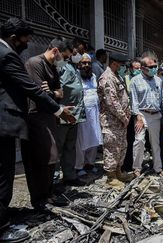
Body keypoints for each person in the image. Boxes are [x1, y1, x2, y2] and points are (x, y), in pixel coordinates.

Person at [0, 18, 75, 242]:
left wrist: (54, 95)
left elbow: (55, 89)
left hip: (10, 122)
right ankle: (3, 228)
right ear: (14, 38)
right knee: (4, 175)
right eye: (25, 40)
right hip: (7, 122)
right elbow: (31, 88)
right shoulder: (7, 56)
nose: (27, 44)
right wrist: (59, 110)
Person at [23, 37, 74, 210]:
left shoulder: (52, 67)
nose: (65, 62)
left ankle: (48, 194)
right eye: (65, 58)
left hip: (49, 115)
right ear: (56, 51)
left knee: (52, 157)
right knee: (40, 158)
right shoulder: (34, 63)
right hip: (36, 116)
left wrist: (52, 93)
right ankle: (39, 199)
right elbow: (38, 93)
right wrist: (54, 95)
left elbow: (59, 92)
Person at [98, 52, 133, 190]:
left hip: (120, 122)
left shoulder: (116, 76)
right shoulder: (106, 78)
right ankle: (110, 177)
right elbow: (112, 102)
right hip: (111, 121)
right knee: (112, 148)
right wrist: (124, 117)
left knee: (121, 147)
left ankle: (118, 172)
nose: (123, 67)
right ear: (114, 63)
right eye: (121, 64)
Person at [55, 43, 88, 186]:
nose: (77, 56)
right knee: (58, 148)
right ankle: (54, 180)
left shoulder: (73, 67)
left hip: (74, 114)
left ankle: (69, 176)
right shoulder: (60, 66)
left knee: (70, 146)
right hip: (63, 114)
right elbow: (57, 87)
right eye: (75, 53)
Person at [130, 56, 163, 176]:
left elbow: (161, 99)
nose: (154, 69)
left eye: (155, 66)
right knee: (139, 141)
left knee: (155, 143)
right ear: (143, 68)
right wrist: (138, 116)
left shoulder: (158, 80)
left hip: (155, 115)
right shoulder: (135, 80)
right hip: (142, 114)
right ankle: (137, 168)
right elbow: (134, 100)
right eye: (151, 67)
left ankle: (158, 168)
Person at [75, 54, 103, 176]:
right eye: (84, 63)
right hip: (82, 113)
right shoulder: (76, 77)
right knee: (81, 140)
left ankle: (90, 164)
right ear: (79, 64)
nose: (86, 65)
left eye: (88, 63)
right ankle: (79, 166)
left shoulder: (93, 77)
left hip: (95, 112)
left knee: (94, 138)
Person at [123, 59, 142, 172]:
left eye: (140, 68)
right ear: (130, 69)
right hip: (129, 114)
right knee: (129, 139)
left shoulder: (141, 80)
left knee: (139, 139)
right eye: (136, 68)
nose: (138, 70)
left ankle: (137, 164)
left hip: (140, 113)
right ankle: (127, 164)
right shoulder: (125, 79)